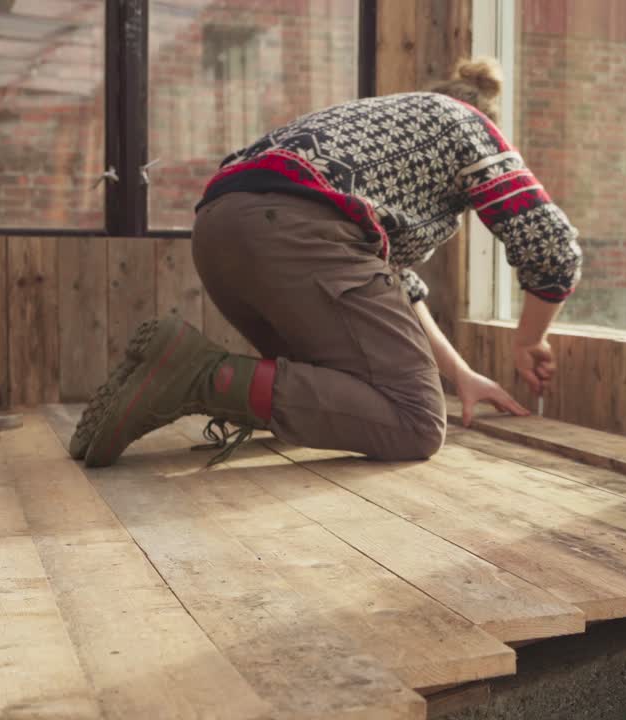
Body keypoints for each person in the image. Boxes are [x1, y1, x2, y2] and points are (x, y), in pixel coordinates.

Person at [69, 57, 582, 467]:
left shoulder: (376, 123)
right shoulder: (468, 124)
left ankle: (164, 377)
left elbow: (395, 287)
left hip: (218, 228)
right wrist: (529, 339)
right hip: (297, 230)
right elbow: (553, 246)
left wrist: (461, 373)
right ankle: (199, 377)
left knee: (337, 396)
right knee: (416, 422)